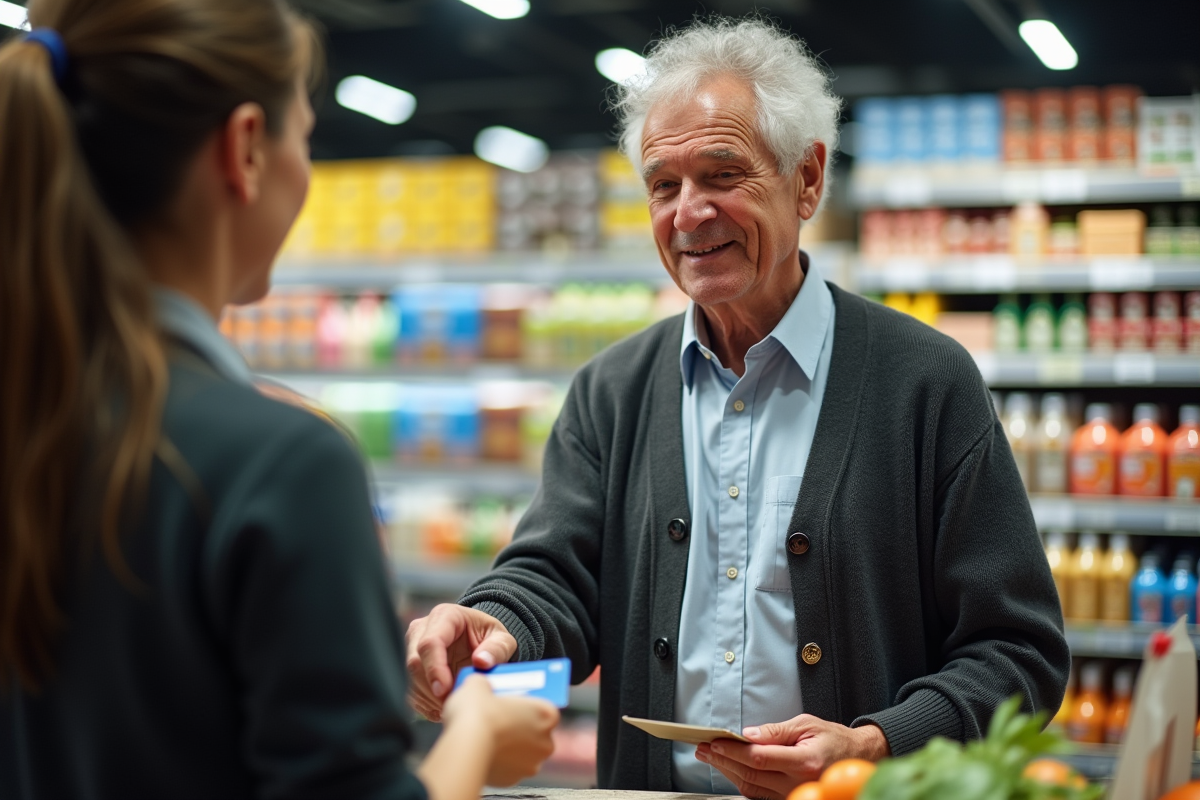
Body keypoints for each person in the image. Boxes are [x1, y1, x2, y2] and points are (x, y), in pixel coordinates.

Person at [406, 16, 1070, 799]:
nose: (689, 211)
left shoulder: (926, 382)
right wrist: (495, 627)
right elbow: (557, 580)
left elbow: (1017, 651)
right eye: (664, 185)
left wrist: (874, 744)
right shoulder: (610, 390)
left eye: (722, 175)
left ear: (808, 180)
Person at [0, 1, 557, 798]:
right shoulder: (281, 462)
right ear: (245, 149)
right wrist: (476, 736)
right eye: (305, 135)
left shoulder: (38, 416)